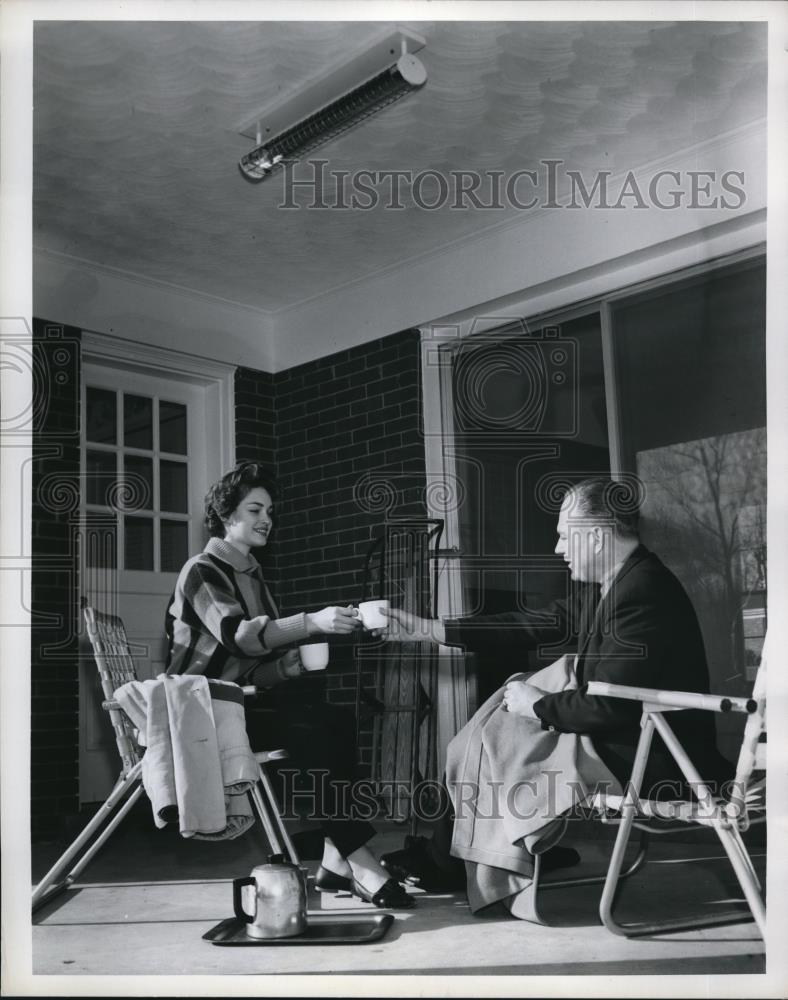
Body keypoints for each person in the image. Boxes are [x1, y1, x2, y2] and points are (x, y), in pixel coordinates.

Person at [378, 476, 732, 908]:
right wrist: (434, 629)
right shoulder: (617, 585)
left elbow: (609, 707)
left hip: (659, 756)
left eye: (565, 536)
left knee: (497, 739)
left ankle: (478, 857)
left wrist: (537, 705)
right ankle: (480, 852)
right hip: (630, 739)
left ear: (598, 538)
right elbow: (533, 623)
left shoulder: (642, 593)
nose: (558, 549)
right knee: (491, 734)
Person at [165, 460, 412, 909]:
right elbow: (238, 635)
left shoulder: (252, 575)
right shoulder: (202, 571)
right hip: (200, 714)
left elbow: (251, 669)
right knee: (313, 731)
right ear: (226, 516)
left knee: (336, 719)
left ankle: (338, 858)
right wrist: (311, 622)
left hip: (234, 705)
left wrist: (287, 668)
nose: (266, 520)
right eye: (255, 510)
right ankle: (358, 858)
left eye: (270, 512)